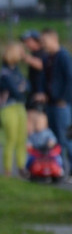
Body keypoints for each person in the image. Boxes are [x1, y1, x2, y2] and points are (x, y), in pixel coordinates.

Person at [39, 27, 72, 179]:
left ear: (54, 39)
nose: (43, 44)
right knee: (55, 139)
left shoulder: (64, 57)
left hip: (61, 105)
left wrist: (63, 99)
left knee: (66, 138)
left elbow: (70, 79)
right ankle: (59, 169)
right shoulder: (47, 59)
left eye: (44, 41)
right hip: (51, 103)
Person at [0, 42, 29, 177]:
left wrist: (22, 88)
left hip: (20, 106)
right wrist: (21, 87)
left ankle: (22, 166)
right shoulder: (4, 73)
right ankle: (7, 169)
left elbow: (27, 86)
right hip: (8, 108)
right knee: (11, 138)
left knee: (22, 138)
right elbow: (17, 90)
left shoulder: (16, 70)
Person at [26, 106, 63, 180]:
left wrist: (50, 144)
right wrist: (29, 145)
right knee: (30, 159)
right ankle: (28, 170)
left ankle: (59, 170)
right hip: (37, 152)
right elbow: (29, 143)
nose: (38, 125)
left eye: (41, 123)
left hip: (47, 152)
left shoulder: (48, 132)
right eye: (37, 123)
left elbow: (52, 140)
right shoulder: (33, 134)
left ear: (45, 124)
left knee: (57, 158)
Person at [20, 29, 46, 107]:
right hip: (33, 93)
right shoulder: (33, 54)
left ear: (36, 41)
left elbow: (41, 65)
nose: (26, 44)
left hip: (40, 96)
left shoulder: (44, 52)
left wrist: (24, 56)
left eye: (28, 41)